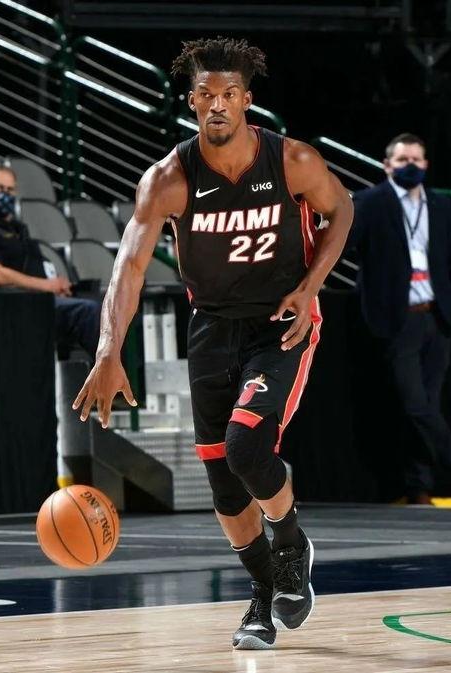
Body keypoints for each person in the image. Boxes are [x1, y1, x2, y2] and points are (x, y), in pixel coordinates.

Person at [73, 37, 353, 649]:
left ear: (247, 101)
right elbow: (129, 266)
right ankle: (262, 596)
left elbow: (343, 209)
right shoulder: (168, 179)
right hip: (212, 328)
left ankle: (290, 544)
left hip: (280, 322)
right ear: (192, 102)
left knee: (246, 446)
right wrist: (108, 351)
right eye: (206, 94)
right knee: (223, 483)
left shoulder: (293, 161)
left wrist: (310, 287)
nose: (218, 104)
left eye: (229, 94)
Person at [350, 133, 451, 505]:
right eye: (403, 160)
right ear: (387, 165)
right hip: (397, 319)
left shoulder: (440, 205)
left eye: (417, 160)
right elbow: (348, 246)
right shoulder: (369, 202)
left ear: (426, 165)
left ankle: (418, 487)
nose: (411, 166)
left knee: (428, 405)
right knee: (414, 403)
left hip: (438, 316)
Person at [0, 161, 101, 359]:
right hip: (11, 306)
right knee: (89, 312)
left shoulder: (17, 228)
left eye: (9, 190)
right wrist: (46, 286)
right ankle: (111, 377)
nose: (4, 195)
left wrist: (57, 285)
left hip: (38, 300)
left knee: (110, 306)